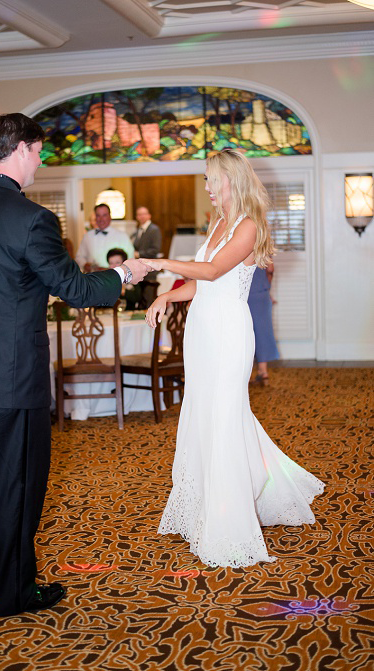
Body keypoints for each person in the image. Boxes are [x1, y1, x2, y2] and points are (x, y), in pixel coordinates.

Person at [0, 112, 147, 617]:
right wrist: (124, 274)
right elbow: (76, 289)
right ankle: (12, 593)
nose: (42, 160)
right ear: (23, 149)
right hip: (11, 376)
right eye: (40, 151)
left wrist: (15, 301)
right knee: (20, 484)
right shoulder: (32, 219)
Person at [144, 148, 324, 568]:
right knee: (206, 412)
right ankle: (212, 501)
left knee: (225, 414)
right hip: (202, 331)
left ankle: (229, 520)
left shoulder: (248, 225)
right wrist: (170, 293)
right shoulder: (217, 222)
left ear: (229, 180)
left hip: (228, 333)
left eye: (210, 179)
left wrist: (157, 264)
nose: (206, 187)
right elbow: (203, 284)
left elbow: (210, 272)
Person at [74, 203, 135, 272]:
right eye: (98, 215)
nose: (101, 219)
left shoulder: (122, 236)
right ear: (95, 217)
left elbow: (130, 259)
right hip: (93, 277)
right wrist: (85, 264)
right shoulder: (87, 236)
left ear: (110, 217)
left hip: (114, 277)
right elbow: (79, 257)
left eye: (104, 215)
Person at [247, 264, 279, 385]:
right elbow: (270, 269)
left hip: (246, 293)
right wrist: (267, 288)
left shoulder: (239, 246)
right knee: (263, 332)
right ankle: (263, 371)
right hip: (262, 293)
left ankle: (247, 373)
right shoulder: (264, 246)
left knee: (247, 334)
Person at [131, 206, 162, 306]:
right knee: (140, 299)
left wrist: (138, 254)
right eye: (139, 214)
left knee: (148, 299)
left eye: (144, 214)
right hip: (139, 269)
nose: (142, 216)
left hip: (150, 270)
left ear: (149, 215)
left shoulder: (154, 230)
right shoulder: (137, 231)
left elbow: (155, 249)